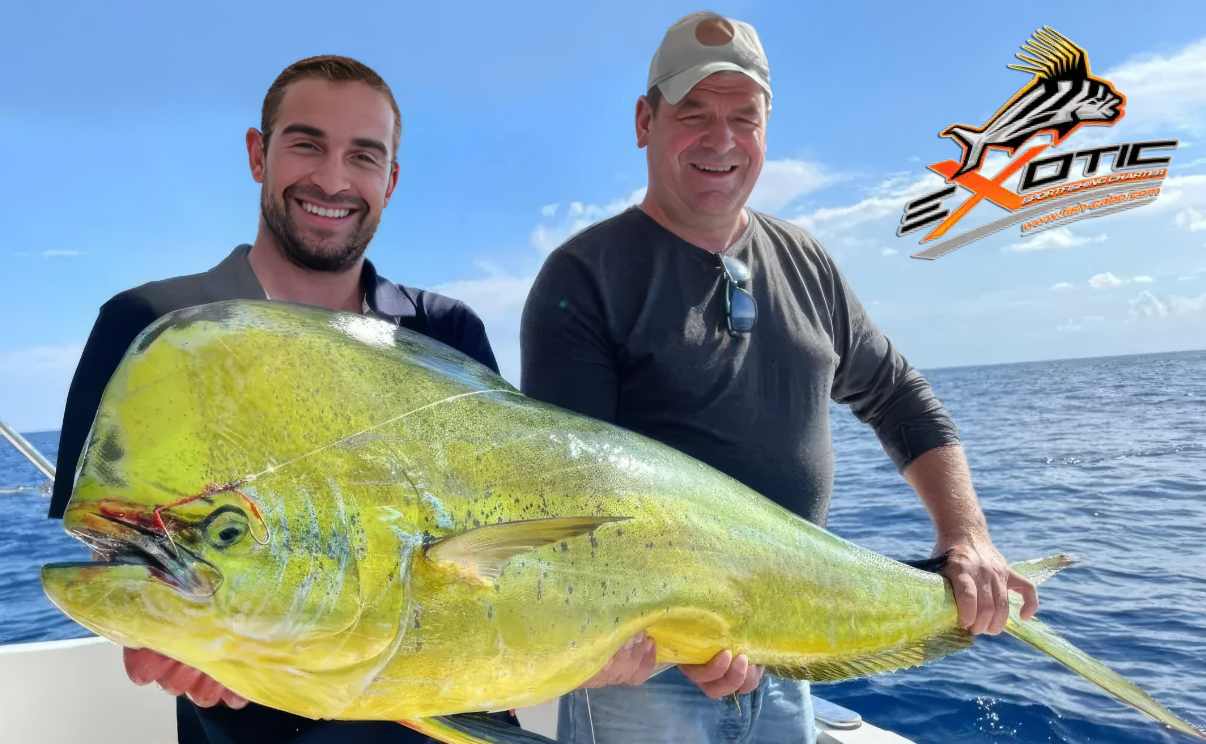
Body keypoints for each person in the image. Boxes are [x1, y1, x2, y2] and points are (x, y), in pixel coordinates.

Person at [519, 12, 1041, 744]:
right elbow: (567, 507)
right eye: (694, 113)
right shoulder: (583, 275)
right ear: (645, 121)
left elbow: (899, 398)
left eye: (745, 117)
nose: (721, 140)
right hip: (644, 676)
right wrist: (675, 636)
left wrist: (967, 537)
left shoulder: (807, 262)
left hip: (789, 653)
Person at [47, 55, 512, 744]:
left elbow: (498, 554)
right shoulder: (152, 328)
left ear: (390, 181)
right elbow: (111, 555)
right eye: (307, 144)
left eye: (363, 156)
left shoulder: (447, 333)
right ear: (258, 154)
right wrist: (157, 639)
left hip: (446, 720)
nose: (333, 179)